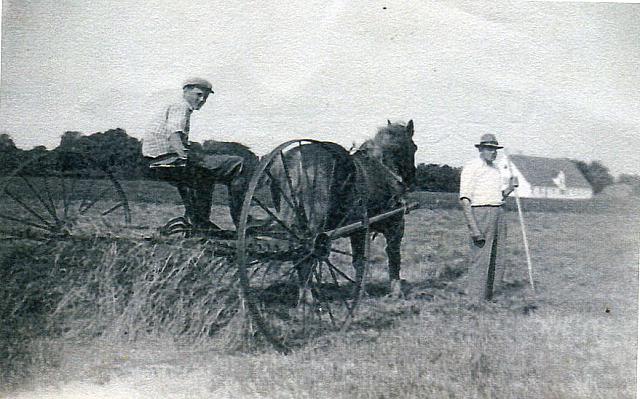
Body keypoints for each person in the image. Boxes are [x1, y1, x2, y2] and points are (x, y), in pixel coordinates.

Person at [142, 77, 250, 231]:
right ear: (186, 91)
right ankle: (242, 221)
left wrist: (192, 150)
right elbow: (174, 134)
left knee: (205, 176)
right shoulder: (181, 106)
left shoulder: (175, 106)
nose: (201, 100)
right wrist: (184, 156)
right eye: (198, 94)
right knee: (238, 163)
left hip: (157, 158)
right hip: (167, 158)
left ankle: (199, 221)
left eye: (205, 97)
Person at [459, 133, 518, 306]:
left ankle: (491, 296)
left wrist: (510, 187)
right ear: (481, 149)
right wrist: (474, 228)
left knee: (498, 256)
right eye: (489, 149)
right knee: (481, 256)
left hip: (498, 212)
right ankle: (475, 300)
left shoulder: (496, 169)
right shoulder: (472, 167)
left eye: (495, 149)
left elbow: (499, 196)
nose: (493, 153)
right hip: (480, 212)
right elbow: (464, 199)